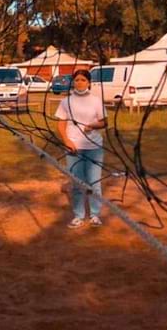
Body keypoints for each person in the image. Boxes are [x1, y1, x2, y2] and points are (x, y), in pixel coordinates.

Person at [55, 69, 108, 229]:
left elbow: (104, 122)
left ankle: (95, 215)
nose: (79, 83)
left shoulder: (96, 101)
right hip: (74, 147)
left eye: (83, 80)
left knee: (94, 182)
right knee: (77, 183)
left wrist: (93, 125)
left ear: (89, 83)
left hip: (94, 147)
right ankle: (78, 215)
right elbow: (61, 123)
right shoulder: (66, 101)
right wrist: (66, 141)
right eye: (77, 80)